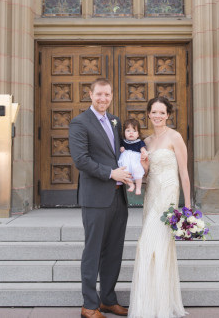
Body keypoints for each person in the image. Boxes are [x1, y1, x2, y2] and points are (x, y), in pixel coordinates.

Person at [69, 77, 133, 318]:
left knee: (114, 251)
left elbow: (120, 152)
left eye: (107, 95)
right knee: (93, 251)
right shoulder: (79, 123)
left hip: (118, 198)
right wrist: (110, 173)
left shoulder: (115, 122)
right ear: (90, 94)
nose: (103, 99)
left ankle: (108, 299)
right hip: (96, 197)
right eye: (99, 95)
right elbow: (81, 160)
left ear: (111, 95)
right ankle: (89, 304)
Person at [128, 96, 191, 318]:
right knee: (150, 246)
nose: (157, 116)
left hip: (168, 195)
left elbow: (184, 173)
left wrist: (188, 208)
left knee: (154, 245)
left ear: (168, 115)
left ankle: (160, 306)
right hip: (151, 195)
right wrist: (143, 168)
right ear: (148, 114)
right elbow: (143, 174)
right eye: (154, 112)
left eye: (162, 113)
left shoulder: (175, 137)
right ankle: (149, 304)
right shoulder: (145, 142)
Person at [118, 118, 149, 195]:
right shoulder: (123, 141)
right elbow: (120, 147)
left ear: (138, 134)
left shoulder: (139, 142)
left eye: (134, 131)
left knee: (137, 170)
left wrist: (144, 152)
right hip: (126, 160)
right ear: (124, 133)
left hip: (135, 160)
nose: (131, 133)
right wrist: (121, 148)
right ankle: (131, 185)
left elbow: (143, 149)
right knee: (125, 171)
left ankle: (138, 187)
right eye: (128, 131)